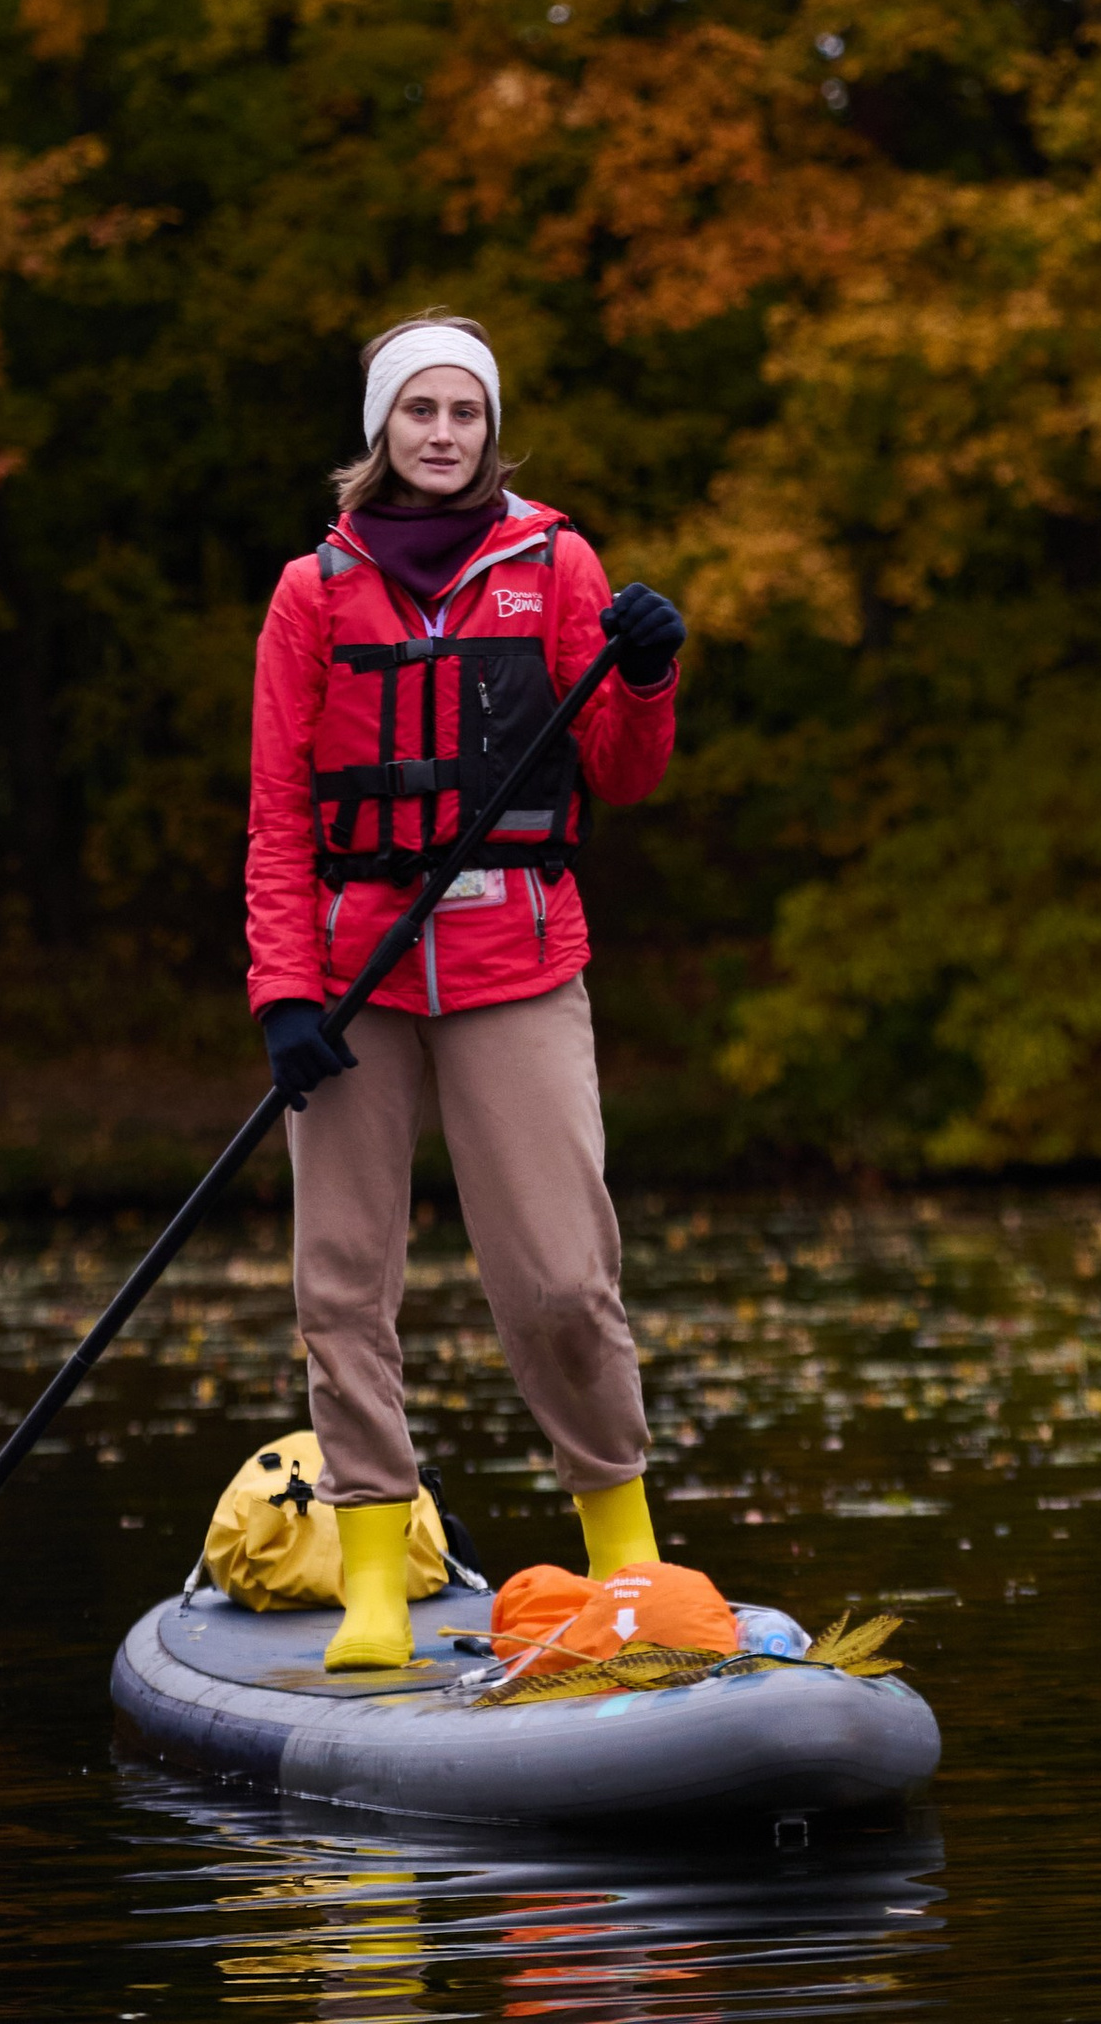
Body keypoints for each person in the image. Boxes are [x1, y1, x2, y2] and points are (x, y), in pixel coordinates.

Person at [244, 310, 687, 1671]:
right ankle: (375, 1567)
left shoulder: (553, 564)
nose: (444, 435)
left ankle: (629, 1558)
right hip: (356, 976)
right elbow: (276, 816)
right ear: (382, 430)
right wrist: (283, 996)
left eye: (466, 414)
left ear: (492, 429)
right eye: (420, 412)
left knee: (560, 1278)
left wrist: (651, 671)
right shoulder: (314, 592)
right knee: (341, 1283)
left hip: (518, 964)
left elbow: (619, 770)